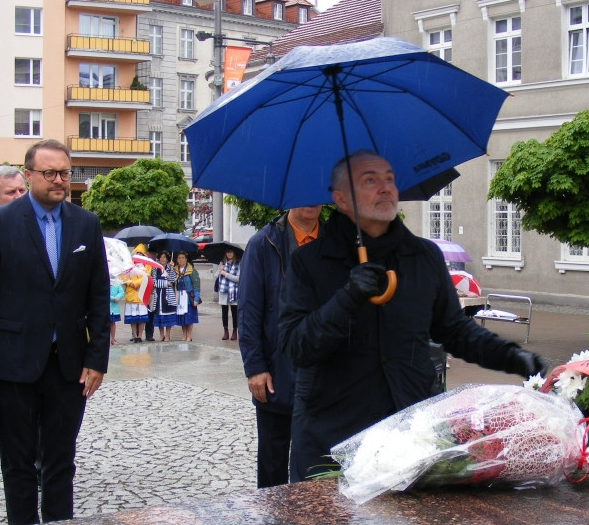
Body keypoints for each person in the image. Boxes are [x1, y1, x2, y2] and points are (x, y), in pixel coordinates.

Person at [278, 151, 547, 482]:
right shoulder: (309, 262)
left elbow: (455, 330)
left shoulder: (422, 257)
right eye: (370, 180)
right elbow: (295, 347)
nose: (386, 187)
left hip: (411, 433)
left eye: (389, 178)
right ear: (341, 200)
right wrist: (347, 299)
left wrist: (514, 357)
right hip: (332, 438)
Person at [0, 139, 110, 525]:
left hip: (69, 367)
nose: (59, 180)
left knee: (61, 462)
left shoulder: (85, 223)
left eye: (65, 173)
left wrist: (97, 359)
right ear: (28, 175)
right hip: (11, 365)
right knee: (17, 465)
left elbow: (98, 296)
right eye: (49, 173)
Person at [239, 206, 322, 487]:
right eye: (304, 192)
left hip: (323, 378)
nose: (311, 201)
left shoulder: (338, 241)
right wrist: (255, 368)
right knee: (273, 466)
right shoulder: (263, 244)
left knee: (319, 467)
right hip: (276, 375)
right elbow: (249, 312)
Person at [174, 251, 201, 342]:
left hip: (188, 296)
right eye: (179, 258)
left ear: (186, 259)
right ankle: (184, 334)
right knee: (182, 316)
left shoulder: (191, 271)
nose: (181, 260)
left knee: (189, 316)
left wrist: (196, 298)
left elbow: (196, 286)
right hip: (179, 296)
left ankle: (189, 335)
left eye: (183, 258)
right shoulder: (175, 270)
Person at [150, 251, 177, 341]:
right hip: (158, 295)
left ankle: (168, 335)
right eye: (161, 257)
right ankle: (161, 335)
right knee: (159, 314)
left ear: (167, 259)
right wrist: (166, 283)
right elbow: (154, 282)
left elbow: (173, 280)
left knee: (168, 314)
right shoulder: (155, 268)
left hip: (168, 295)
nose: (162, 259)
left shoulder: (170, 268)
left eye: (164, 257)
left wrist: (172, 269)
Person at [215, 248, 241, 341]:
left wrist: (225, 274)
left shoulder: (238, 264)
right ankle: (225, 330)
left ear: (234, 253)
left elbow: (238, 278)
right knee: (224, 312)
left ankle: (235, 330)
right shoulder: (222, 263)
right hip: (224, 290)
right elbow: (216, 276)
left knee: (234, 312)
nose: (229, 254)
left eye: (230, 252)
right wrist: (219, 271)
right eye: (227, 252)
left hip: (233, 291)